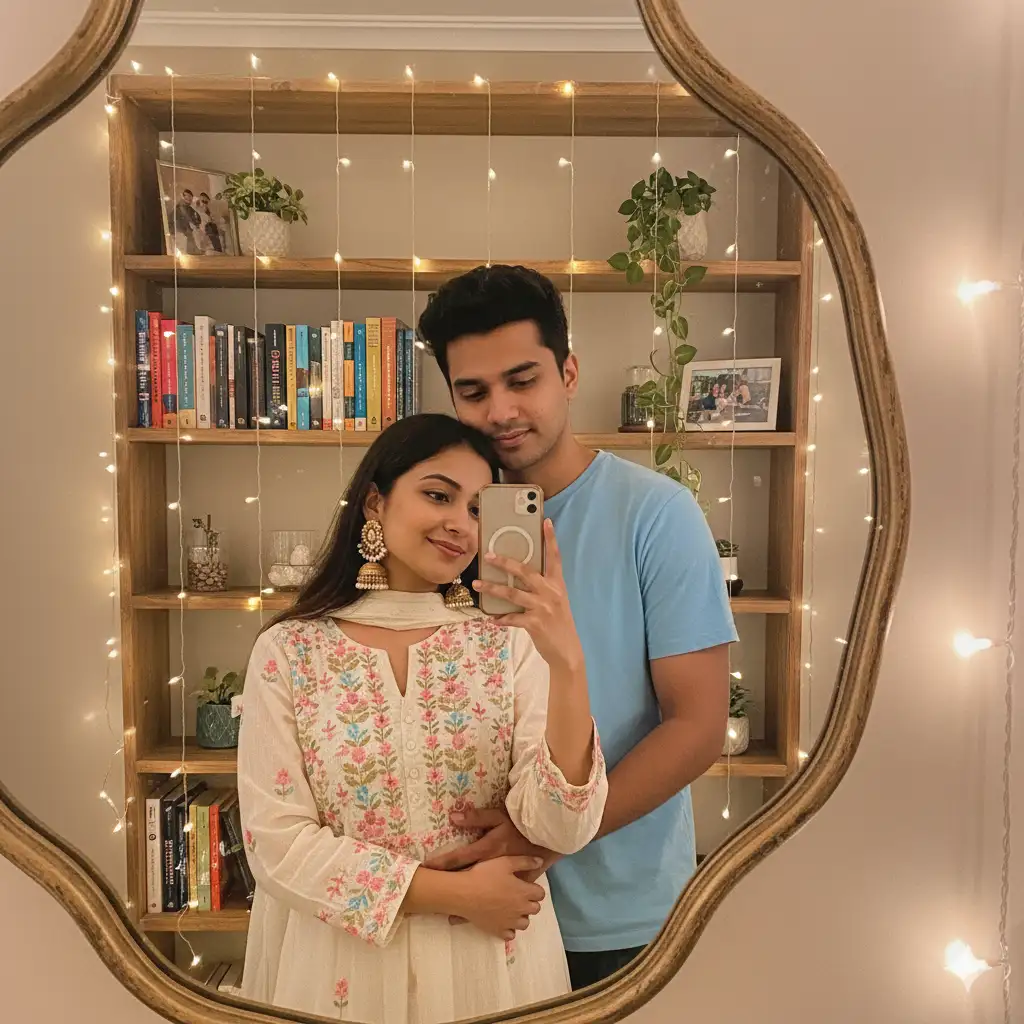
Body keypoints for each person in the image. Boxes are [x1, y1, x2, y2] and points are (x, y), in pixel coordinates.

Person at [417, 265, 737, 991]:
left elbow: (696, 725)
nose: (500, 409)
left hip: (616, 916)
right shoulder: (438, 523)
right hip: (464, 902)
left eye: (521, 379)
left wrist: (552, 835)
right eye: (473, 391)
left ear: (568, 372)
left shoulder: (655, 513)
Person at [236, 413, 607, 1024]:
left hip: (490, 970)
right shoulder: (292, 651)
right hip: (342, 970)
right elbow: (275, 844)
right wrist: (451, 894)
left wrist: (568, 663)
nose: (460, 523)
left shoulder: (506, 644)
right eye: (438, 495)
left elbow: (560, 828)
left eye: (479, 507)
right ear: (376, 502)